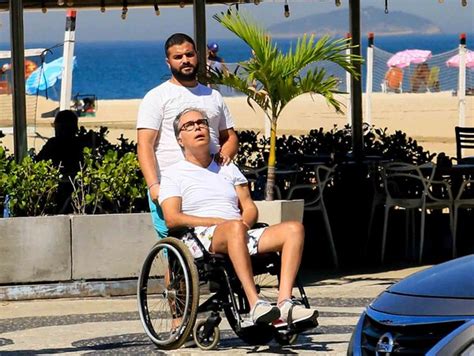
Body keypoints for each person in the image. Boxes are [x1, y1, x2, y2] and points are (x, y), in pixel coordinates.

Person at [159, 107, 319, 327]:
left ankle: (285, 302)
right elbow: (172, 218)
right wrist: (222, 223)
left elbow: (249, 207)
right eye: (189, 125)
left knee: (294, 229)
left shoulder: (227, 167)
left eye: (202, 122)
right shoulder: (173, 173)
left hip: (239, 231)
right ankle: (255, 304)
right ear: (180, 139)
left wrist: (244, 223)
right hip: (200, 237)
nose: (198, 127)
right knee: (233, 229)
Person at [136, 33, 238, 238]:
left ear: (197, 56)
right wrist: (154, 185)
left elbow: (230, 136)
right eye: (178, 57)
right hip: (170, 188)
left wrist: (225, 154)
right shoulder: (156, 97)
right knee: (175, 254)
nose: (185, 60)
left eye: (189, 55)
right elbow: (144, 144)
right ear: (168, 62)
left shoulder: (213, 96)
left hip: (211, 186)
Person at [36, 110, 84, 212]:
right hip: (77, 190)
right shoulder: (80, 144)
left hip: (57, 192)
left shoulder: (53, 144)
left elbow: (37, 163)